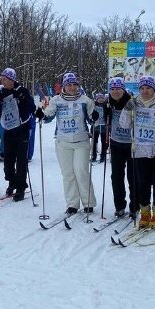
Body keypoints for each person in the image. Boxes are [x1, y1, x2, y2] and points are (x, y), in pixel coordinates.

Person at [119, 75, 155, 229]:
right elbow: (124, 125)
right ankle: (144, 212)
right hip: (140, 150)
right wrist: (126, 108)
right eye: (142, 88)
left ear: (153, 88)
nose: (145, 91)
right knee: (142, 182)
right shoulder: (134, 103)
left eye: (148, 88)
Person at [36, 73, 97, 214]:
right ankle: (72, 204)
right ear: (64, 86)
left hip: (81, 141)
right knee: (68, 174)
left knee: (81, 171)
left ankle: (88, 202)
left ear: (78, 86)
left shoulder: (85, 100)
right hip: (63, 142)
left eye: (74, 84)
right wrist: (42, 114)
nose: (72, 87)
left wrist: (94, 117)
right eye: (69, 84)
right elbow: (49, 115)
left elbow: (91, 118)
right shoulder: (56, 100)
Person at [0, 68, 36, 201]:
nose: (2, 81)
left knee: (21, 159)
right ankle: (12, 181)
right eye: (2, 79)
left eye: (5, 79)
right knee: (8, 159)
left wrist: (22, 98)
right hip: (9, 129)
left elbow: (31, 107)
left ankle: (21, 187)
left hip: (22, 128)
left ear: (11, 80)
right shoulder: (2, 92)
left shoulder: (21, 90)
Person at [106, 77, 136, 218]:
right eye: (112, 89)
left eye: (118, 88)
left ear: (123, 89)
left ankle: (134, 206)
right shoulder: (108, 103)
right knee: (116, 177)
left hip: (131, 144)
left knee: (133, 177)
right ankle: (119, 206)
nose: (115, 91)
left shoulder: (131, 102)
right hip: (116, 143)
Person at [90, 92, 108, 163]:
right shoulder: (94, 106)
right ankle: (94, 156)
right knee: (94, 142)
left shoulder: (106, 106)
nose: (100, 100)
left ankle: (102, 156)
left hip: (103, 126)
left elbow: (108, 113)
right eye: (99, 98)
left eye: (102, 98)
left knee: (103, 142)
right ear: (96, 99)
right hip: (96, 126)